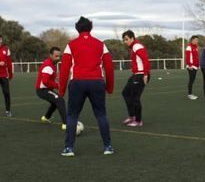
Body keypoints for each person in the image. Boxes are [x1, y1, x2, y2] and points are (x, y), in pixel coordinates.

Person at [59, 17, 115, 157]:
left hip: (77, 82)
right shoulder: (100, 44)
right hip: (97, 82)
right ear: (91, 28)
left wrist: (61, 90)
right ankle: (108, 147)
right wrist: (109, 87)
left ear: (77, 29)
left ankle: (69, 148)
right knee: (101, 115)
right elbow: (109, 67)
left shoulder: (71, 45)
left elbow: (64, 69)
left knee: (72, 116)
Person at [121, 30, 151, 127]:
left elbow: (145, 60)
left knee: (135, 98)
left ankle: (138, 121)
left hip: (141, 75)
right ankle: (132, 116)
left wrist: (145, 75)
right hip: (136, 74)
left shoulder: (137, 46)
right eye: (124, 40)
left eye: (127, 39)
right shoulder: (134, 46)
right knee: (125, 92)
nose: (125, 41)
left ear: (132, 38)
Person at [36, 47, 67, 130]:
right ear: (50, 55)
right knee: (60, 100)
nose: (58, 58)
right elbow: (45, 81)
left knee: (55, 102)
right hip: (42, 90)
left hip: (45, 89)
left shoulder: (52, 64)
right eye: (56, 56)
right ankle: (66, 124)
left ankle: (46, 117)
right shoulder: (48, 66)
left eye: (59, 56)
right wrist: (57, 85)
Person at [185, 35, 200, 100]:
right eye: (196, 40)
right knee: (191, 80)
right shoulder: (189, 47)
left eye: (197, 40)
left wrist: (198, 65)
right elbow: (187, 57)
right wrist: (190, 65)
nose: (197, 41)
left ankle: (190, 93)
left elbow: (196, 57)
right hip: (191, 66)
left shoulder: (196, 47)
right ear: (192, 40)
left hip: (195, 66)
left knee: (192, 80)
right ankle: (190, 94)